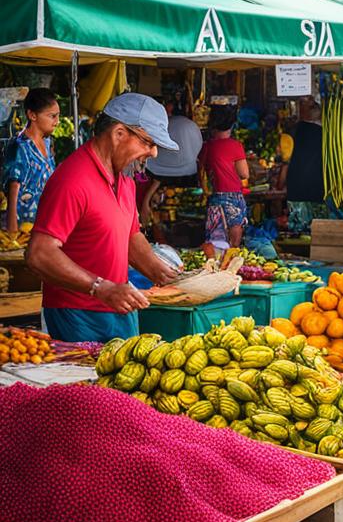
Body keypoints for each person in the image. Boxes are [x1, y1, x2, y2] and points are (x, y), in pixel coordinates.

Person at [26, 93, 180, 342]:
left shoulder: (126, 180)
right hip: (78, 314)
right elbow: (40, 254)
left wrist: (162, 274)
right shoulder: (72, 179)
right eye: (148, 142)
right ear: (119, 133)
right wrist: (99, 287)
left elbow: (130, 236)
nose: (153, 153)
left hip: (120, 307)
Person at [137, 101, 203, 237]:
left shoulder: (178, 133)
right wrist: (145, 202)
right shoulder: (136, 163)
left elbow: (155, 177)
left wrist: (147, 200)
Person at [3, 88, 59, 233]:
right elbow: (12, 190)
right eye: (52, 116)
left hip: (46, 225)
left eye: (57, 116)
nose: (57, 122)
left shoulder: (48, 143)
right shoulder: (19, 146)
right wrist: (12, 232)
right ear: (32, 115)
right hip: (23, 228)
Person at [199, 107, 249, 249]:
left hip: (215, 196)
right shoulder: (235, 146)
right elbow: (244, 174)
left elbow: (201, 173)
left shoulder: (206, 147)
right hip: (233, 196)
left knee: (215, 241)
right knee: (233, 243)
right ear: (232, 125)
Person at [284, 97, 325, 233]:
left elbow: (287, 160)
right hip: (318, 187)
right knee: (317, 230)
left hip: (298, 188)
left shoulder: (297, 131)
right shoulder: (326, 134)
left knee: (299, 230)